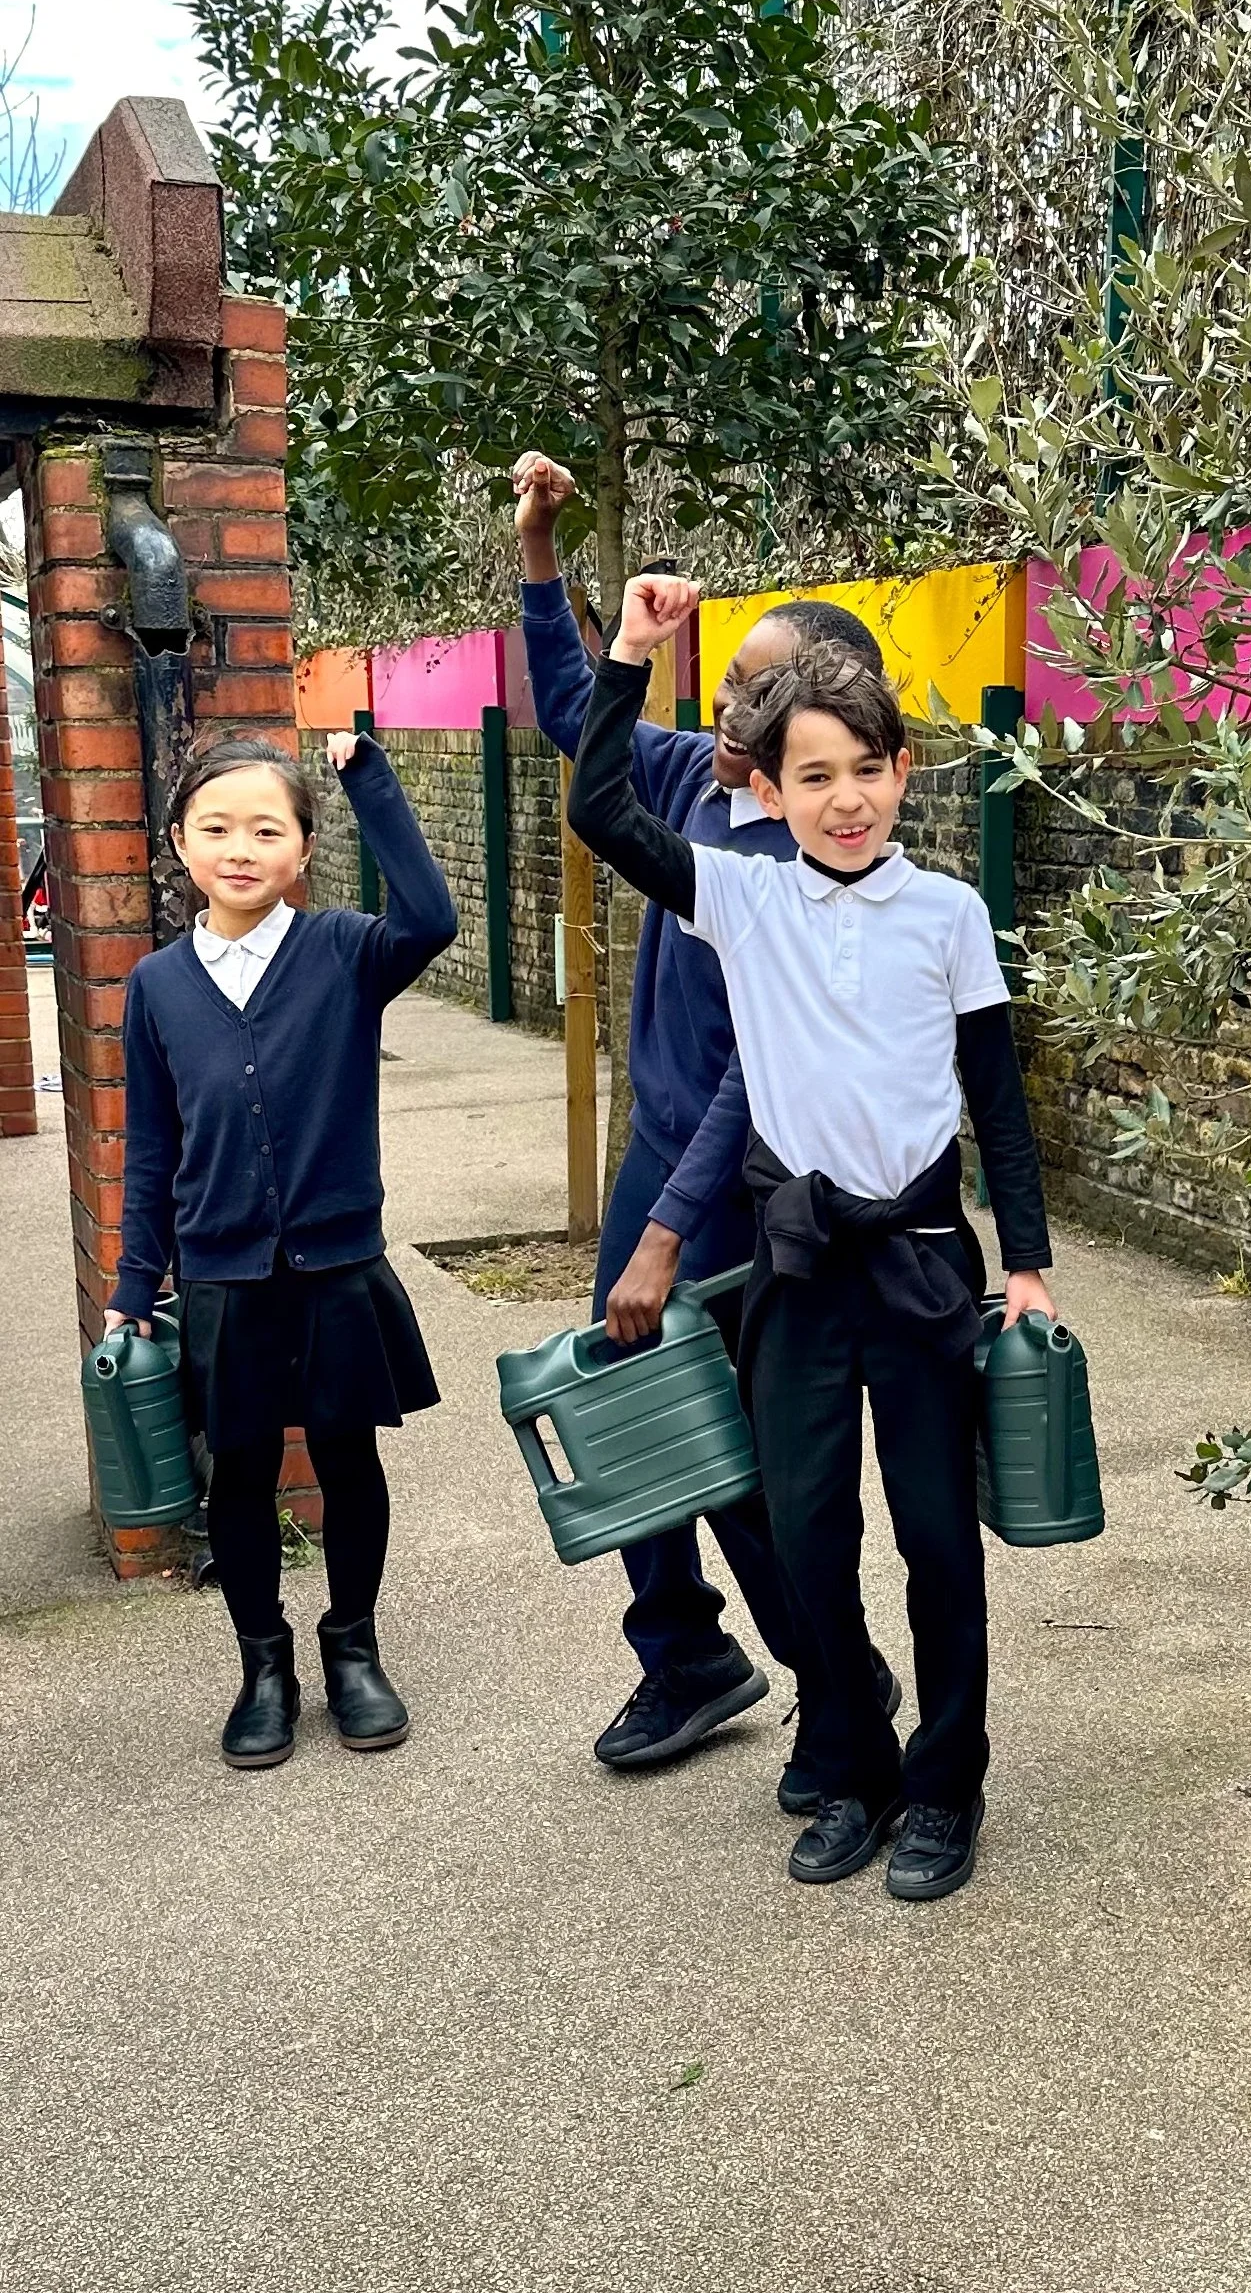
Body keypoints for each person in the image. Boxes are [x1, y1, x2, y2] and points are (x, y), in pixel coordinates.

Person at [568, 574, 1058, 1904]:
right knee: (806, 1540)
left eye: (866, 770)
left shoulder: (950, 917)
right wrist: (629, 651)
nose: (846, 798)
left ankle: (946, 1785)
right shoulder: (742, 898)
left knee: (937, 1542)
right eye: (814, 775)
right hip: (796, 1274)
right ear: (770, 791)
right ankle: (856, 1768)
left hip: (919, 1265)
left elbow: (998, 1105)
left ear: (905, 773)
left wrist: (1023, 1266)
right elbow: (597, 805)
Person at [511, 451, 898, 1799]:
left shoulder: (814, 858)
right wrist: (543, 552)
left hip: (742, 1182)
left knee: (736, 1456)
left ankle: (834, 1677)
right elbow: (577, 717)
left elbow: (763, 1064)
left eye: (764, 693)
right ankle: (684, 1650)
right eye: (730, 679)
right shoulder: (687, 778)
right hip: (658, 1154)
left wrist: (669, 1232)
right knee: (632, 1400)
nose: (732, 704)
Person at [106, 732, 457, 1768]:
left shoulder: (346, 952)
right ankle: (264, 1665)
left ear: (303, 848)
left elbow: (431, 917)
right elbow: (153, 1149)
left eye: (268, 829)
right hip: (222, 1278)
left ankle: (353, 1647)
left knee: (348, 1458)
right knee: (243, 1473)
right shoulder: (157, 987)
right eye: (216, 828)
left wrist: (369, 782)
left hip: (339, 1269)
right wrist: (135, 1279)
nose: (241, 849)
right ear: (180, 842)